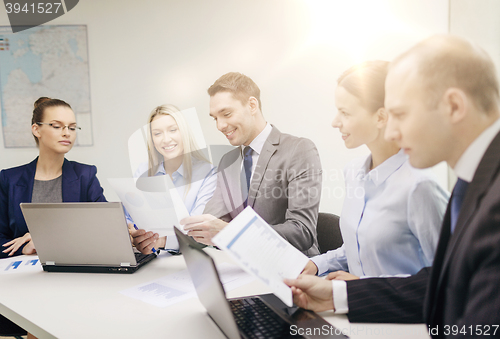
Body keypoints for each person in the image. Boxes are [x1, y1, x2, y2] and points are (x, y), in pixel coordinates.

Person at [285, 35, 500, 333]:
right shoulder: (475, 181)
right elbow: (441, 283)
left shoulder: (481, 196)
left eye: (399, 115)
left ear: (453, 106)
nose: (393, 132)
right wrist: (339, 295)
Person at [302, 61, 449, 280]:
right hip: (349, 309)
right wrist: (316, 263)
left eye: (345, 113)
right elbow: (359, 248)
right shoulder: (353, 172)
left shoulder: (419, 186)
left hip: (395, 313)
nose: (335, 122)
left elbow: (446, 276)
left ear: (380, 117)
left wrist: (360, 287)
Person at [181, 72, 322, 256]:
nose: (220, 126)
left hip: (295, 271)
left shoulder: (299, 149)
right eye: (215, 118)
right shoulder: (228, 161)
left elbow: (302, 232)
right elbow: (212, 222)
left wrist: (230, 232)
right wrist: (161, 239)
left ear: (252, 105)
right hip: (243, 267)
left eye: (226, 114)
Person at [0, 97, 107, 259]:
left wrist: (46, 238)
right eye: (57, 126)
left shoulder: (86, 175)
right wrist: (24, 248)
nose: (66, 133)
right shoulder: (9, 179)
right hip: (25, 275)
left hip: (74, 269)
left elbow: (105, 231)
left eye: (72, 128)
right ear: (36, 130)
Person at [129, 104, 217, 254]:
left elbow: (199, 231)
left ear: (184, 132)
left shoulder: (208, 173)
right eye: (157, 133)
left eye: (172, 130)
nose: (166, 139)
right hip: (147, 258)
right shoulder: (143, 171)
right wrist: (132, 233)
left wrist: (162, 241)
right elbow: (129, 216)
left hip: (187, 258)